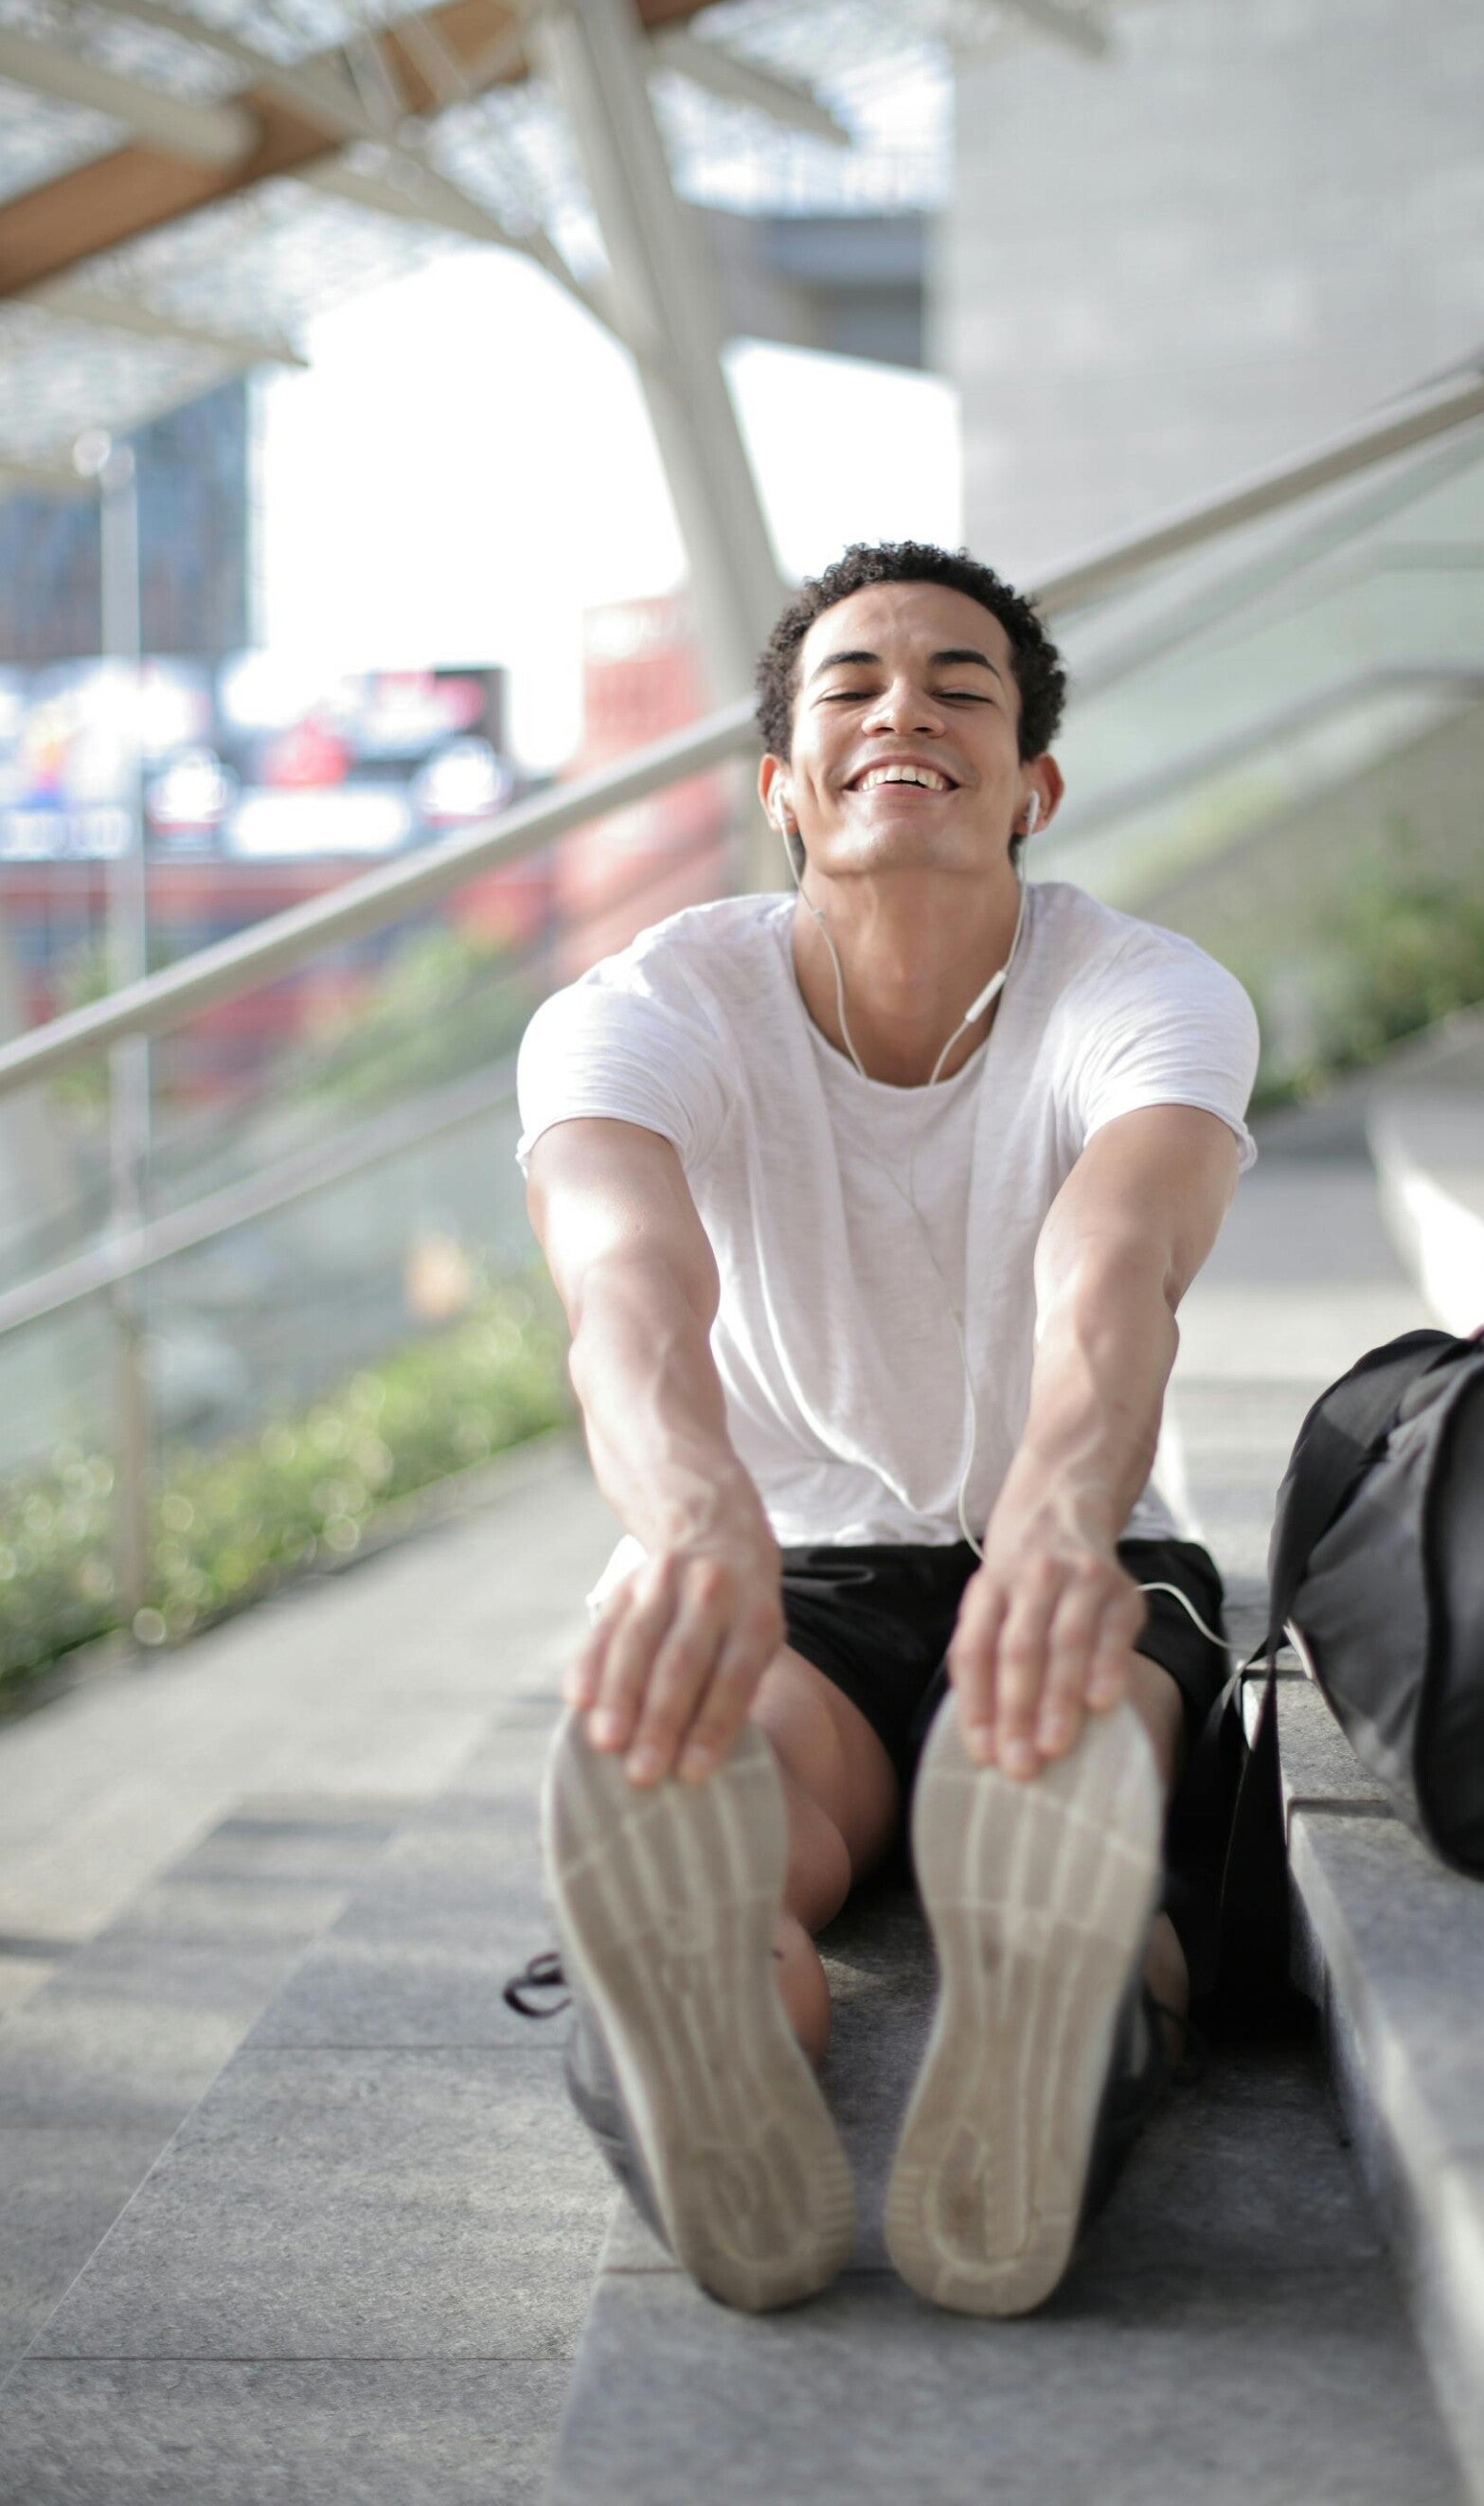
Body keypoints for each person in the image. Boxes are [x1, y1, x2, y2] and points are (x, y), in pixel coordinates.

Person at [507, 541, 1258, 2319]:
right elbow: (626, 1290)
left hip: (1072, 1550)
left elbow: (1115, 1273)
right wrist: (695, 1521)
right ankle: (707, 2023)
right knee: (734, 1816)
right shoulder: (646, 1010)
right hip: (786, 1573)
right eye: (850, 686)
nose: (902, 710)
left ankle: (1070, 2010)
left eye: (956, 688)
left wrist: (1058, 1521)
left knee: (1073, 1763)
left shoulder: (1147, 993)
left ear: (1033, 789)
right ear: (782, 786)